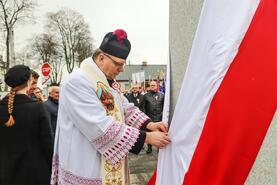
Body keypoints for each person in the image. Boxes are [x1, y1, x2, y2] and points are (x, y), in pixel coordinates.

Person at [51, 29, 170, 185]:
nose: (121, 70)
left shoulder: (105, 82)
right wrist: (147, 137)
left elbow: (125, 108)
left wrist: (150, 124)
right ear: (101, 58)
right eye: (119, 64)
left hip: (104, 162)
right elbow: (99, 125)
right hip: (86, 164)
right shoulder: (77, 82)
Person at [0, 65, 53, 185]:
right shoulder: (38, 107)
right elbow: (47, 143)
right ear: (29, 82)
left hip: (5, 173)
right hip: (34, 172)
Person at [143, 80, 165, 154]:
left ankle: (160, 148)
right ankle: (149, 148)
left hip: (159, 117)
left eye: (154, 85)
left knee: (160, 132)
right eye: (151, 85)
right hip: (149, 117)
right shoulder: (145, 96)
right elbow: (144, 107)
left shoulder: (162, 95)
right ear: (149, 87)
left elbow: (164, 107)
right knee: (149, 132)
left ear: (156, 86)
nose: (152, 87)